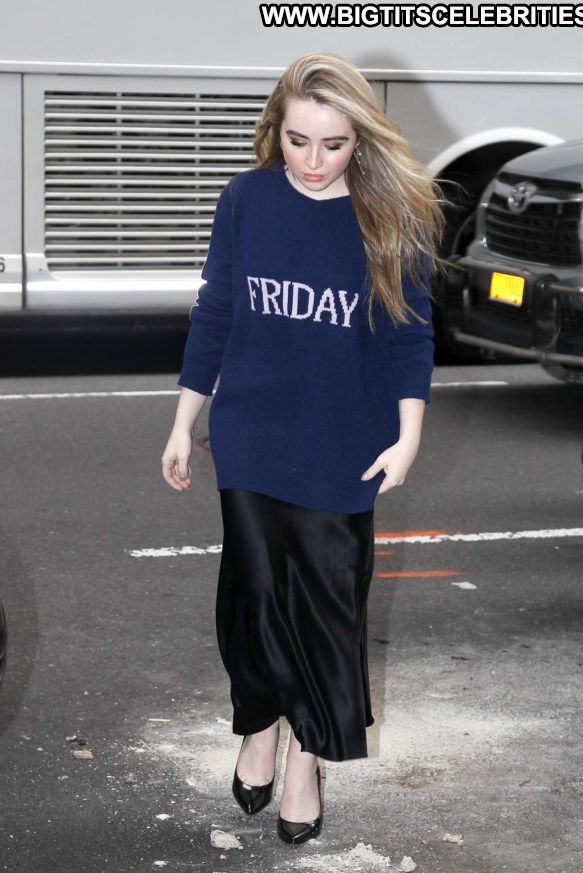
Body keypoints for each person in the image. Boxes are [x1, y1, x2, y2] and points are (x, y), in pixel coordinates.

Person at [161, 52, 445, 845]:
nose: (314, 161)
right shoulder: (246, 200)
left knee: (326, 610)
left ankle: (305, 756)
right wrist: (184, 421)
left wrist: (409, 434)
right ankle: (260, 724)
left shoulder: (388, 215)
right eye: (297, 140)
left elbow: (408, 333)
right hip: (251, 434)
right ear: (275, 130)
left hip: (344, 444)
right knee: (254, 599)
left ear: (362, 139)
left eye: (334, 144)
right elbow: (217, 310)